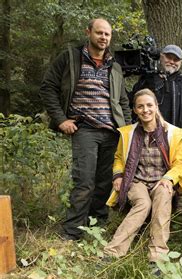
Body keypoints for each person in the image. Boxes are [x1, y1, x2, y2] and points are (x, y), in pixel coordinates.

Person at [39, 18, 132, 240]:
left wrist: (127, 132)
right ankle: (72, 231)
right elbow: (48, 87)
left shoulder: (114, 66)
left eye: (107, 35)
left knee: (104, 183)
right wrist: (61, 119)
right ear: (88, 32)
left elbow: (123, 102)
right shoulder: (71, 58)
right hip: (85, 130)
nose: (103, 38)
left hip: (112, 131)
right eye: (99, 33)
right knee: (84, 181)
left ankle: (96, 227)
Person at [104, 88, 182, 269]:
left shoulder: (173, 133)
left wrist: (168, 179)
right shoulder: (128, 133)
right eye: (140, 107)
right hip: (137, 181)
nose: (145, 110)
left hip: (161, 180)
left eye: (149, 105)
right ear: (134, 110)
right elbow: (119, 158)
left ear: (156, 106)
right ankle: (112, 251)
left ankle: (157, 257)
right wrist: (118, 175)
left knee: (163, 197)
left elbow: (180, 164)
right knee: (143, 204)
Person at [131, 45, 182, 149]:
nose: (172, 62)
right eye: (168, 57)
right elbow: (133, 101)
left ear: (181, 62)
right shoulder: (149, 79)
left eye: (176, 59)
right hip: (147, 134)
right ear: (161, 57)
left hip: (175, 134)